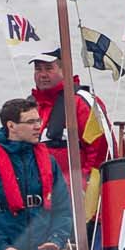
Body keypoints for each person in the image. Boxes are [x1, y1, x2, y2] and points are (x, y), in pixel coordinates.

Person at [0, 97, 73, 250]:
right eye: (30, 122)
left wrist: (56, 239)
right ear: (11, 126)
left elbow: (63, 208)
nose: (38, 127)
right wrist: (3, 247)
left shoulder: (48, 162)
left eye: (38, 120)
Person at [26, 47, 107, 180]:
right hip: (37, 188)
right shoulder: (30, 104)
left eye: (48, 68)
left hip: (72, 191)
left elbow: (99, 151)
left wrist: (83, 184)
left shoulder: (81, 103)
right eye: (38, 69)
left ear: (64, 70)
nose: (43, 74)